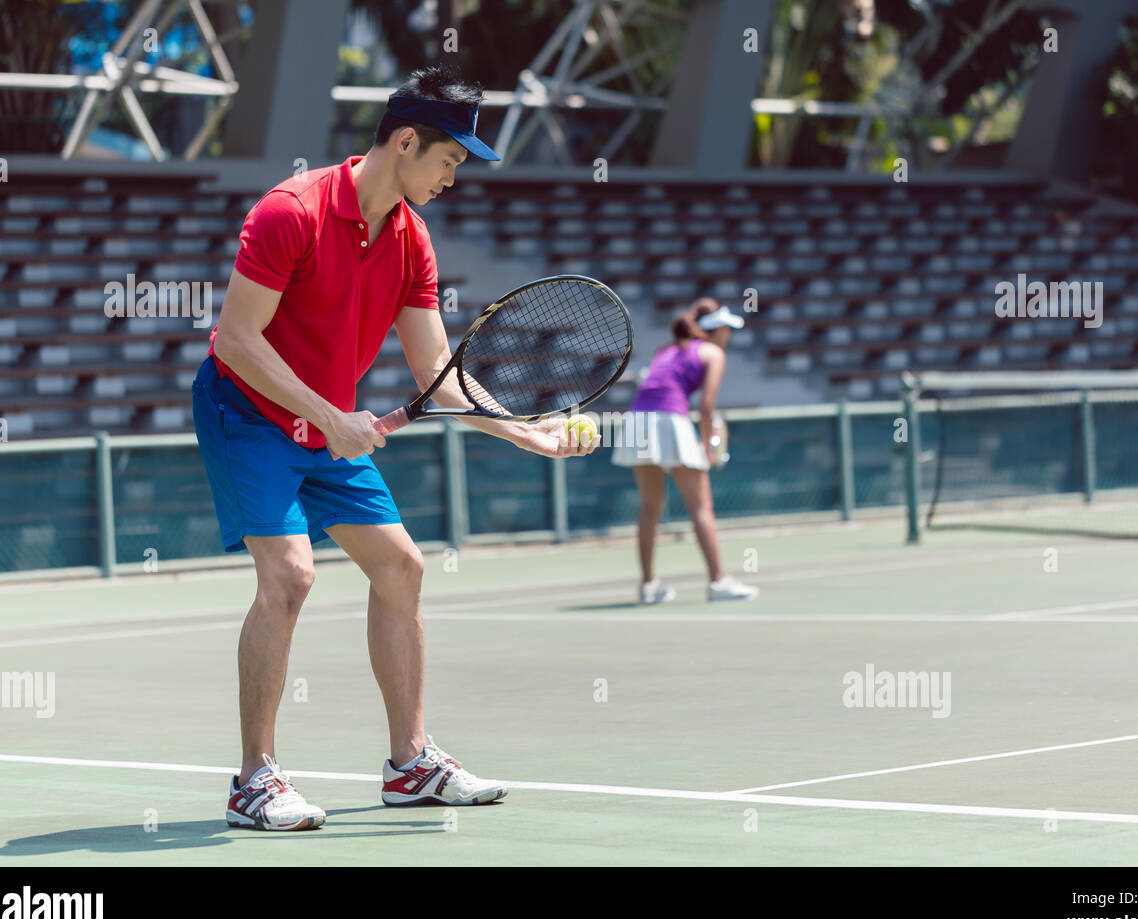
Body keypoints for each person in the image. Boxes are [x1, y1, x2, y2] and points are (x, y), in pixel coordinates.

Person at [192, 66, 596, 831]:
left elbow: (439, 379)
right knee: (290, 574)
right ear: (405, 142)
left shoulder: (411, 240)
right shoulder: (291, 212)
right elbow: (239, 341)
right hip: (245, 410)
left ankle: (411, 765)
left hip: (322, 421)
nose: (453, 177)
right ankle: (254, 778)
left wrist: (525, 432)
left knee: (402, 566)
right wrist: (328, 415)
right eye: (449, 160)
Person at [611, 298, 760, 604]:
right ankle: (718, 581)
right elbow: (706, 407)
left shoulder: (664, 351)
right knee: (701, 507)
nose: (728, 335)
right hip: (669, 421)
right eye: (726, 329)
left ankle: (648, 585)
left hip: (637, 421)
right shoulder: (714, 353)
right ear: (715, 330)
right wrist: (706, 448)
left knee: (649, 508)